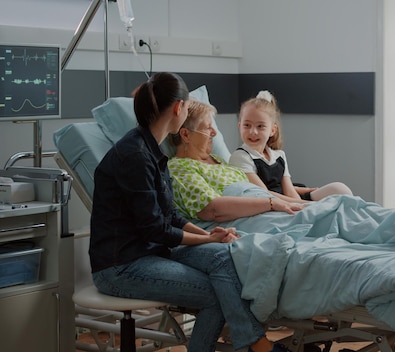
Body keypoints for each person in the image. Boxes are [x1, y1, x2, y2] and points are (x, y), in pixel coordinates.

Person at [89, 72, 288, 352]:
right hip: (122, 266)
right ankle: (258, 344)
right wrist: (206, 239)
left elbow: (171, 217)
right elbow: (156, 229)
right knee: (215, 293)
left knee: (224, 256)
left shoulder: (153, 152)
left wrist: (211, 236)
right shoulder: (134, 156)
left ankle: (253, 343)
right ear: (177, 109)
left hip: (153, 251)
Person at [168, 99, 305, 222]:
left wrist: (302, 203)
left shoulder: (219, 160)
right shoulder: (179, 167)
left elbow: (257, 192)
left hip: (266, 208)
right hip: (251, 217)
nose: (214, 133)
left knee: (320, 211)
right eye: (207, 127)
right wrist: (271, 203)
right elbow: (212, 209)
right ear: (186, 134)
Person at [229, 90, 352, 203]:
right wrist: (307, 205)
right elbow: (262, 194)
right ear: (239, 126)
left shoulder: (279, 156)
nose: (253, 132)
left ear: (272, 130)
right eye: (247, 125)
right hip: (271, 204)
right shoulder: (240, 157)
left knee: (340, 189)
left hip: (290, 200)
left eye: (260, 126)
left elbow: (289, 190)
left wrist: (303, 205)